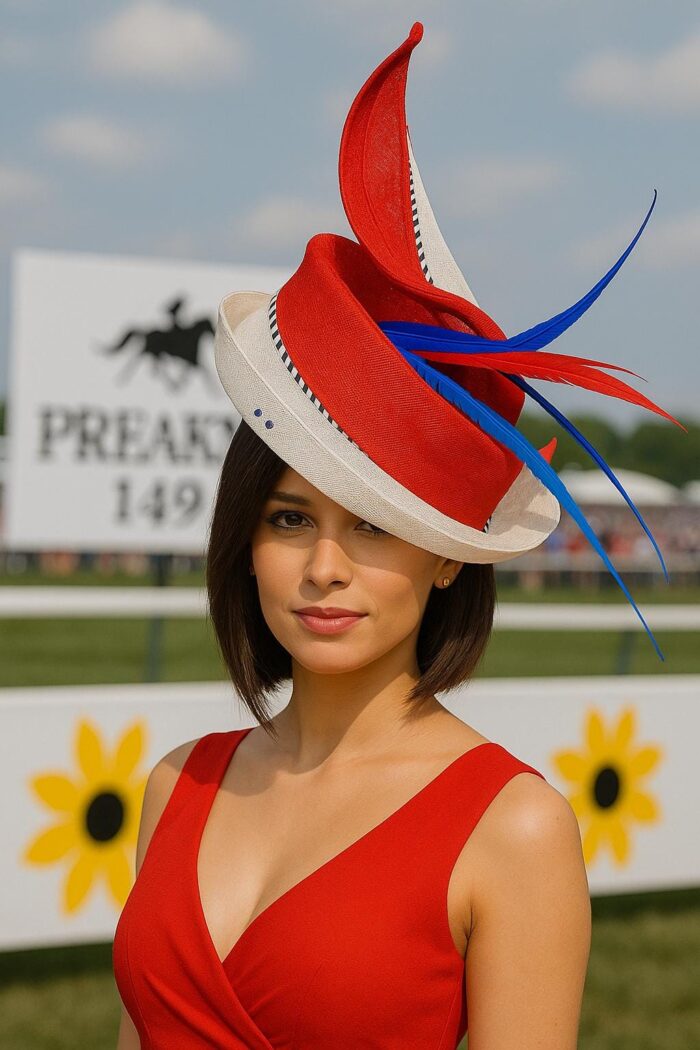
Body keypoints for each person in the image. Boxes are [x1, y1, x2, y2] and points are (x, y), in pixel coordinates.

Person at [113, 21, 682, 1049]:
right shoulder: (176, 784)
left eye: (373, 527)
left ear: (444, 556)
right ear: (243, 539)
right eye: (290, 519)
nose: (324, 569)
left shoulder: (512, 826)